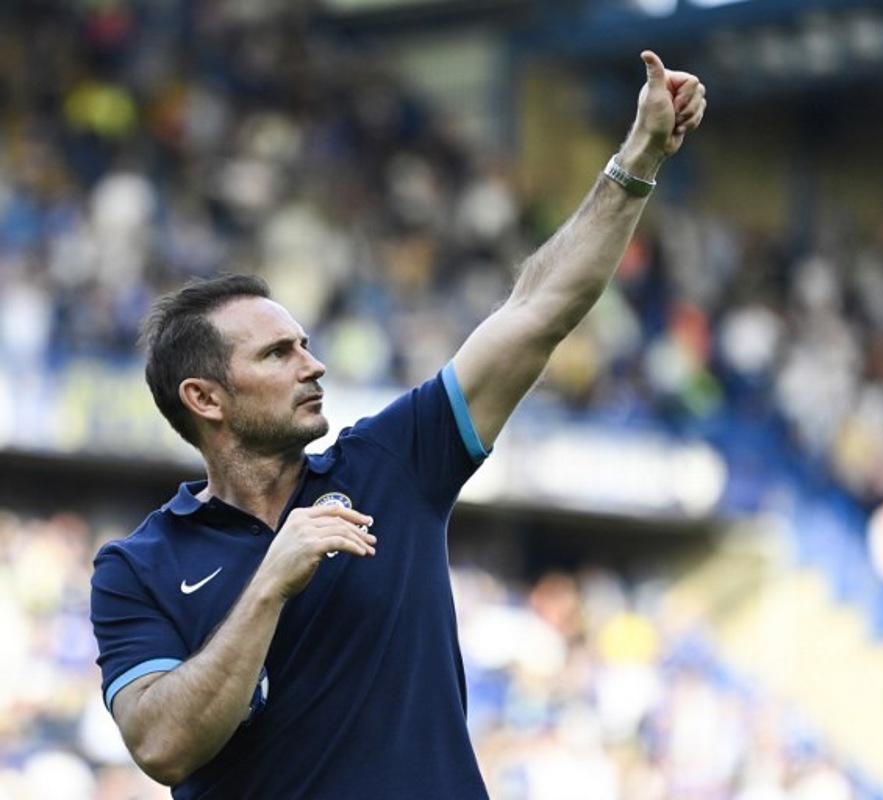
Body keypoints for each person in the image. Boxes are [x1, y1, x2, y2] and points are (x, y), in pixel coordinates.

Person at [88, 51, 706, 798]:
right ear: (206, 399)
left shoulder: (392, 463)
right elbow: (163, 746)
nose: (311, 366)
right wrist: (269, 586)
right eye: (279, 353)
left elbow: (536, 312)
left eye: (307, 345)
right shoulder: (137, 568)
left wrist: (636, 159)